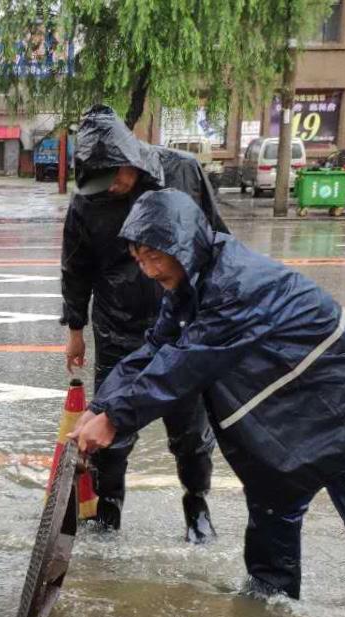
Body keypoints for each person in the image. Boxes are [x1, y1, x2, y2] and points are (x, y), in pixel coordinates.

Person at [69, 189, 345, 617]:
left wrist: (114, 421)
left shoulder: (235, 284)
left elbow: (184, 366)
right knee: (271, 517)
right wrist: (101, 403)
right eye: (139, 258)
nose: (149, 270)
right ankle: (270, 615)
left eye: (155, 256)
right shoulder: (187, 285)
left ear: (185, 242)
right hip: (290, 422)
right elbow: (155, 348)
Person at [62, 105, 227, 540]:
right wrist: (75, 330)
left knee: (190, 430)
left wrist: (215, 313)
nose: (112, 187)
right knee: (110, 428)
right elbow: (76, 267)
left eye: (115, 175)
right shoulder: (88, 201)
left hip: (182, 326)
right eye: (101, 180)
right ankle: (107, 514)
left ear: (130, 158)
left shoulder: (183, 172)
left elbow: (217, 240)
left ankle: (197, 506)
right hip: (117, 326)